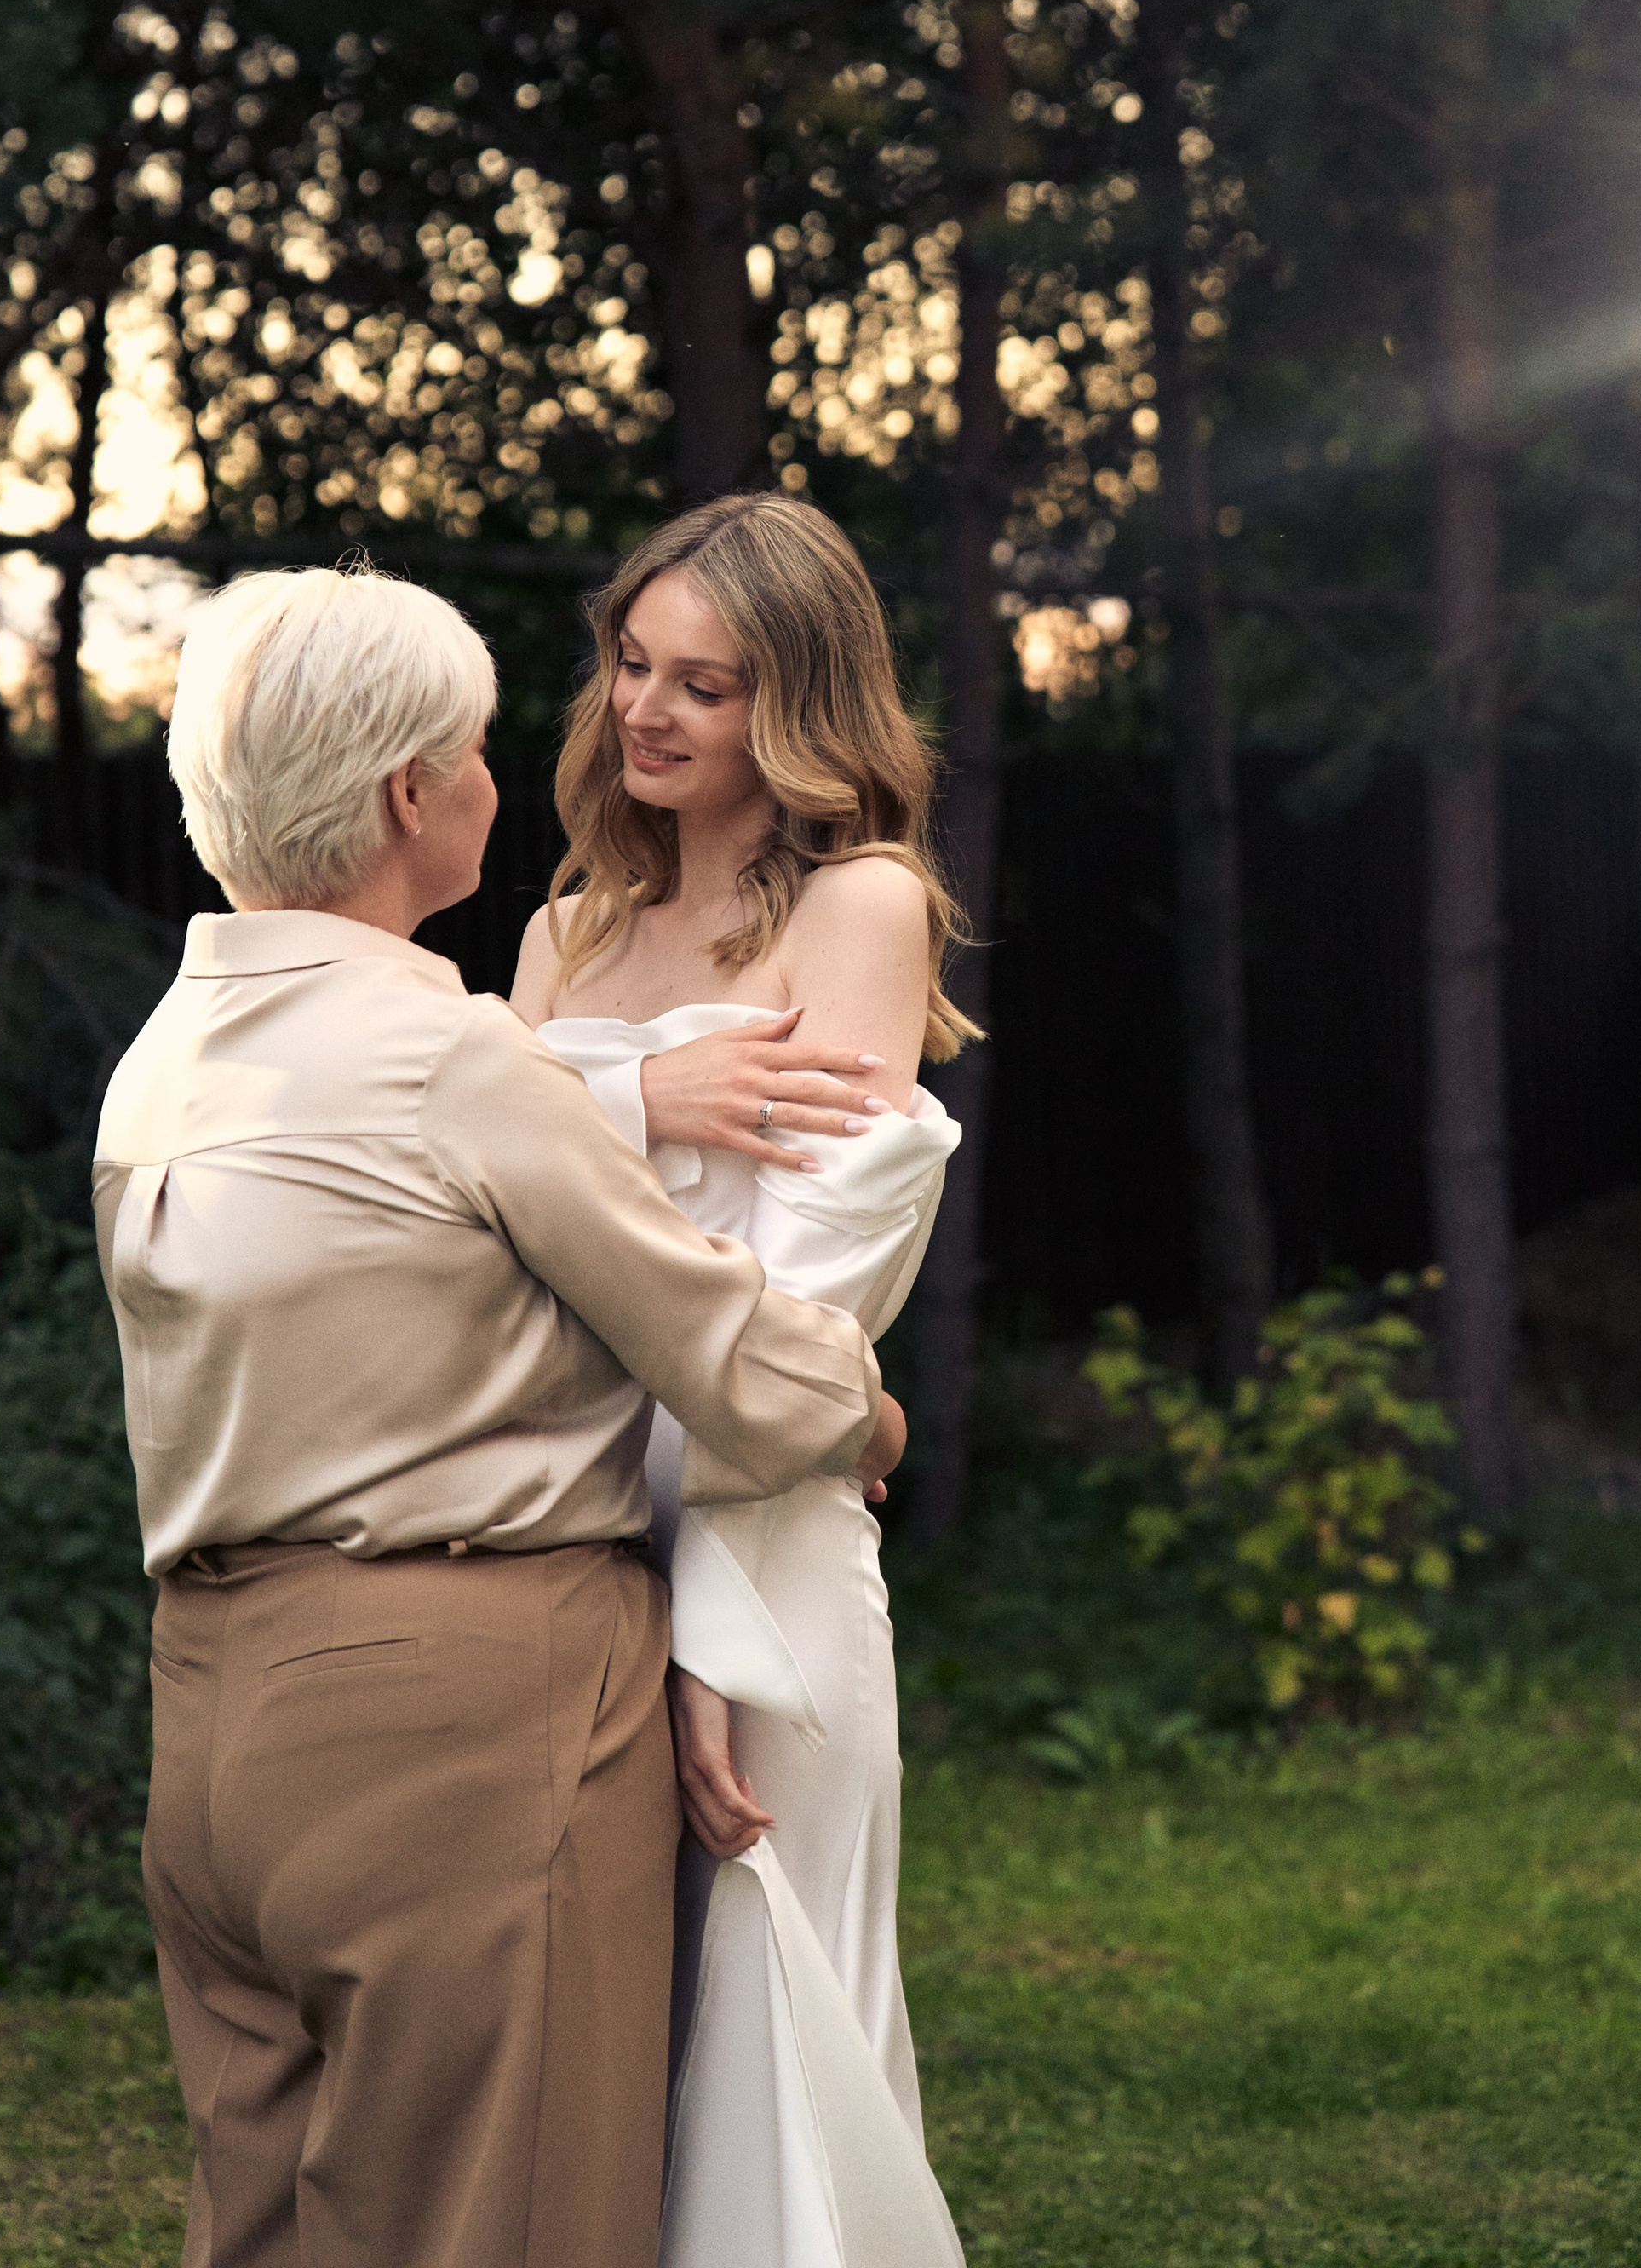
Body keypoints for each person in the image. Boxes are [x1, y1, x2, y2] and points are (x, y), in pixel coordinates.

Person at [95, 566, 895, 2268]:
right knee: (498, 2221)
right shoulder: (450, 1053)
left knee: (264, 2226)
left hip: (209, 1716)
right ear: (408, 795)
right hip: (453, 1718)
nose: (503, 770)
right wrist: (864, 1418)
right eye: (467, 746)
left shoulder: (160, 1064)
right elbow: (737, 1358)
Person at [511, 492, 975, 2268]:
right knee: (592, 2066)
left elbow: (799, 1319)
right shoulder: (559, 935)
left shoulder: (858, 908)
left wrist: (710, 1622)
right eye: (633, 663)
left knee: (775, 2029)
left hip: (762, 1554)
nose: (646, 710)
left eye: (703, 685)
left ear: (794, 703)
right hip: (553, 1537)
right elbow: (496, 1256)